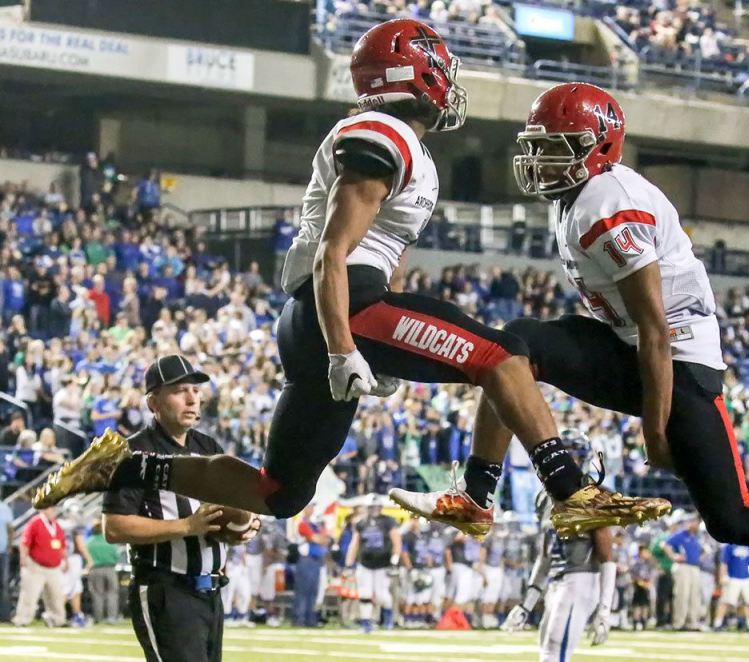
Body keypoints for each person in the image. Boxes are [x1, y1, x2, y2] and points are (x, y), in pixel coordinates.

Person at [34, 20, 668, 542]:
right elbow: (335, 253)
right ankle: (567, 490)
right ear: (411, 74)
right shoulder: (384, 132)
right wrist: (346, 346)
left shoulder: (391, 138)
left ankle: (123, 464)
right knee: (505, 356)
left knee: (277, 493)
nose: (447, 82)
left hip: (326, 311)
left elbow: (371, 252)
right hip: (339, 305)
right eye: (438, 67)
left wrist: (368, 340)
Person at [391, 81, 749, 626]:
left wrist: (655, 429)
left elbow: (655, 330)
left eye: (557, 147)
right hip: (630, 345)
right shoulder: (578, 198)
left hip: (679, 361)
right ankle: (479, 494)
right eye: (539, 146)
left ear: (598, 148)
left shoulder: (609, 204)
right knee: (510, 346)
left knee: (732, 519)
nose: (541, 160)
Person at [100, 355, 260, 662]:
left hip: (210, 591)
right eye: (179, 391)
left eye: (196, 391)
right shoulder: (133, 455)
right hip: (166, 589)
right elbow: (114, 527)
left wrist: (245, 524)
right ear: (153, 403)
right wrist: (186, 526)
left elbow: (235, 504)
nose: (191, 399)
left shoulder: (208, 447)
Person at [502, 486, 615, 660]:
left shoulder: (589, 496)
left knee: (554, 651)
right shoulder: (544, 497)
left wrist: (604, 610)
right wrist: (526, 605)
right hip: (555, 583)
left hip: (579, 581)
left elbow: (607, 558)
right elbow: (545, 557)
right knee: (546, 648)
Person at [345, 495, 401, 632]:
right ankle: (366, 623)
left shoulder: (388, 521)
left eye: (376, 507)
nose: (374, 510)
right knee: (364, 594)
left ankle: (388, 619)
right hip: (364, 563)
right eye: (371, 507)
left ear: (380, 508)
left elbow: (396, 542)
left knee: (382, 595)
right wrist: (348, 564)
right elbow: (354, 544)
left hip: (383, 564)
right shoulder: (361, 523)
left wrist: (394, 561)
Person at [13, 506, 67, 627]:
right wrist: (23, 558)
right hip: (36, 566)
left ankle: (57, 620)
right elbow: (25, 542)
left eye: (54, 508)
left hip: (54, 567)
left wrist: (65, 560)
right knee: (29, 595)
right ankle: (23, 619)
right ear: (43, 509)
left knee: (56, 596)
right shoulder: (35, 522)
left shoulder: (56, 525)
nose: (53, 510)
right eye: (50, 508)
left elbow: (62, 545)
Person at [662, 512, 703, 630]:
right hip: (683, 567)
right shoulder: (681, 534)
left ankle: (692, 623)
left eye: (696, 522)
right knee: (682, 595)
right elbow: (665, 545)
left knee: (694, 596)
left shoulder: (696, 536)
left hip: (695, 568)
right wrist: (674, 556)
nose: (695, 524)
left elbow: (702, 551)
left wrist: (699, 558)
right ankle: (678, 622)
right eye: (693, 521)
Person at [293, 504, 328, 628]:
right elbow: (317, 539)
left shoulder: (312, 524)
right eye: (310, 507)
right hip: (306, 560)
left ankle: (310, 618)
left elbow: (324, 539)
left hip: (315, 560)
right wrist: (318, 538)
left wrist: (319, 538)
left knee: (313, 591)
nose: (312, 509)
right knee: (303, 591)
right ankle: (299, 618)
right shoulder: (302, 523)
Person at [712, 542, 749, 631]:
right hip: (733, 577)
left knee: (747, 602)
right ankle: (717, 623)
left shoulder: (748, 546)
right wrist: (723, 576)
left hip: (746, 578)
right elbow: (724, 563)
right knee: (725, 601)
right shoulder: (729, 546)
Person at [85, 520, 122, 624]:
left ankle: (98, 617)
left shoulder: (88, 542)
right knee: (112, 594)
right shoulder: (109, 541)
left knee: (97, 594)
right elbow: (116, 556)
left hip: (95, 569)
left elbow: (85, 558)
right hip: (110, 569)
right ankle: (112, 617)